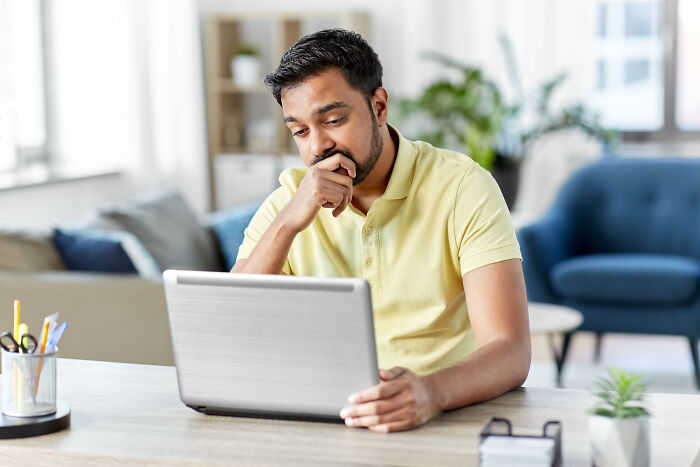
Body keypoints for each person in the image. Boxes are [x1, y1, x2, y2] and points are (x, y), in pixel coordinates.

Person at [232, 29, 530, 433]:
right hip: (329, 419)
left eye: (333, 120)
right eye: (300, 131)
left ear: (379, 106)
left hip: (444, 415)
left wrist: (429, 393)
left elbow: (510, 351)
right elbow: (233, 327)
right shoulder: (289, 199)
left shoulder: (463, 186)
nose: (318, 146)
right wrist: (289, 222)